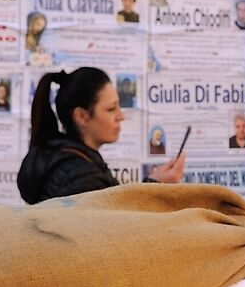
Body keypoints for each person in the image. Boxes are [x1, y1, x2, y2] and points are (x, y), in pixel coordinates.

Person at [18, 66, 182, 202]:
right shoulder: (81, 179)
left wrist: (155, 183)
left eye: (118, 106)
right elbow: (116, 228)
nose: (121, 116)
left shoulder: (68, 161)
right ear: (82, 116)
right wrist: (155, 187)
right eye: (111, 109)